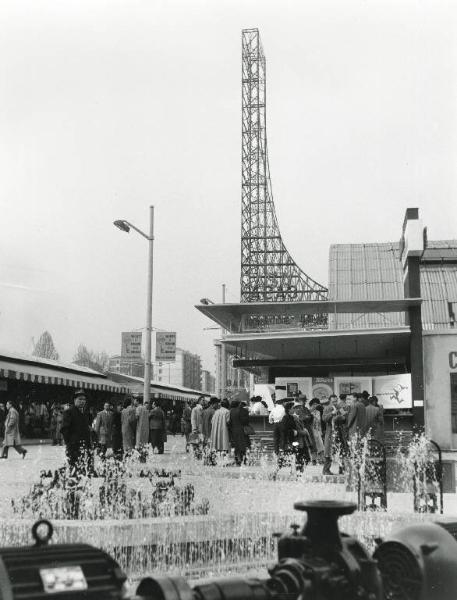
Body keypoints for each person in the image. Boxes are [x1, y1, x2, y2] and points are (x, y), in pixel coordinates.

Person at [60, 390, 92, 475]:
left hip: (85, 445)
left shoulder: (85, 413)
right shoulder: (69, 412)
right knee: (74, 470)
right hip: (73, 446)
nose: (82, 401)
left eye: (84, 399)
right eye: (80, 399)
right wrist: (70, 443)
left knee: (84, 470)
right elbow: (64, 429)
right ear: (74, 400)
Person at [229, 399, 250, 466]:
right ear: (239, 404)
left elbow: (230, 422)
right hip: (242, 430)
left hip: (234, 431)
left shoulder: (231, 411)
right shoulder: (244, 411)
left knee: (236, 446)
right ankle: (244, 460)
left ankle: (237, 460)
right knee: (243, 445)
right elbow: (245, 421)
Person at [322, 396, 338, 475]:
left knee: (335, 451)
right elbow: (324, 418)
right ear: (330, 401)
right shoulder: (327, 408)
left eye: (336, 401)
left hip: (337, 431)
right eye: (333, 401)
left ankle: (341, 469)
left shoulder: (337, 407)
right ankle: (326, 469)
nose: (335, 402)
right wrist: (332, 414)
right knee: (328, 451)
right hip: (330, 432)